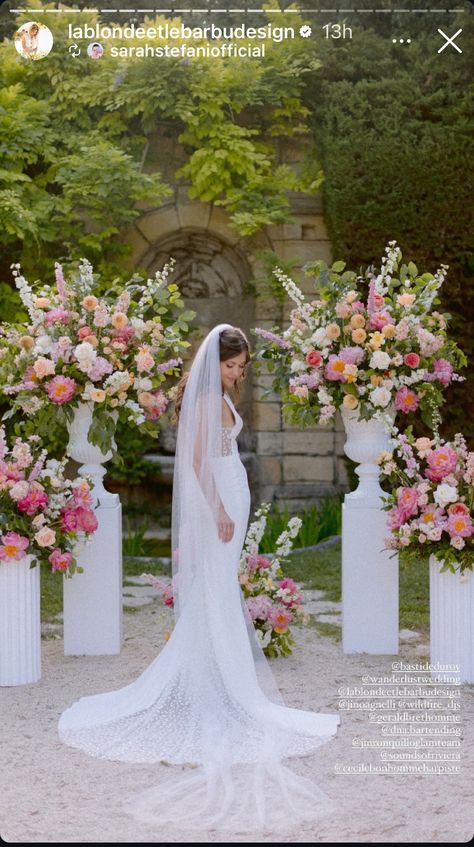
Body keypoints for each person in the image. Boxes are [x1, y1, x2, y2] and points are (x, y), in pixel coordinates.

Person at [58, 323, 340, 835]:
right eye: (233, 367)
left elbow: (223, 455)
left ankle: (222, 680)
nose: (238, 375)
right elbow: (195, 461)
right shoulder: (207, 401)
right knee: (215, 590)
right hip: (219, 506)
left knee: (221, 590)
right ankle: (219, 686)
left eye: (241, 368)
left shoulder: (215, 397)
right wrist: (218, 511)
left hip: (232, 495)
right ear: (217, 363)